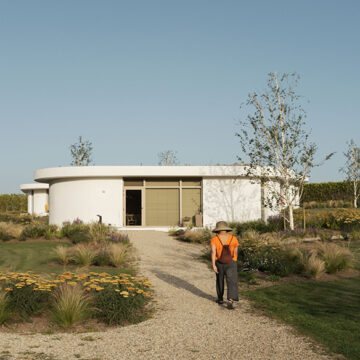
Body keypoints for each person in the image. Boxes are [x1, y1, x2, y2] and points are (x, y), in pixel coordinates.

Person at [210, 221, 239, 309]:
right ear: (226, 229)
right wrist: (234, 260)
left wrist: (214, 265)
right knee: (232, 281)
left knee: (220, 280)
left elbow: (213, 252)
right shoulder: (233, 238)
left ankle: (220, 299)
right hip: (231, 262)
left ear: (217, 230)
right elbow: (235, 251)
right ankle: (230, 300)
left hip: (219, 262)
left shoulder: (214, 239)